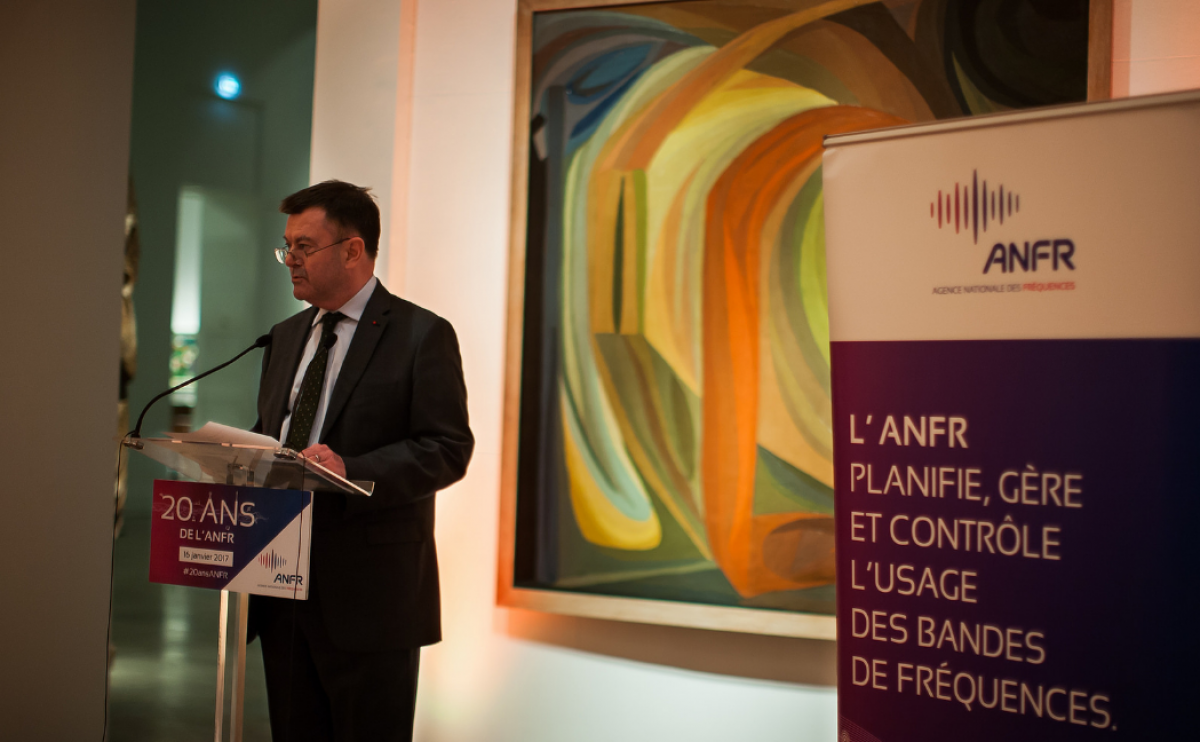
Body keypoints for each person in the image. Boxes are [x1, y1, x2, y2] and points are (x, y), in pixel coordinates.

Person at [250, 180, 473, 741]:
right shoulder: (284, 336)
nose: (291, 259)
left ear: (353, 250)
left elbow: (447, 448)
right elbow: (273, 435)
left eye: (304, 246)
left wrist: (352, 469)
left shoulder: (421, 335)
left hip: (372, 600)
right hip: (280, 583)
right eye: (287, 246)